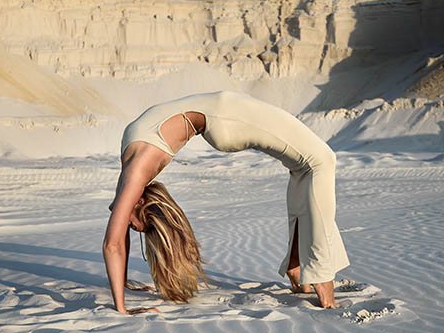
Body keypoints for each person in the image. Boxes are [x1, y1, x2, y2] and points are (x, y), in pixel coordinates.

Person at [103, 90, 349, 313]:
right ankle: (313, 272)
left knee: (312, 165)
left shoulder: (135, 173)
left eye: (137, 227)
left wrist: (122, 306)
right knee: (317, 162)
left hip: (226, 116)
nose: (131, 227)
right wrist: (121, 292)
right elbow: (117, 235)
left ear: (139, 202)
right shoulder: (133, 172)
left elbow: (113, 244)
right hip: (224, 116)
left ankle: (307, 268)